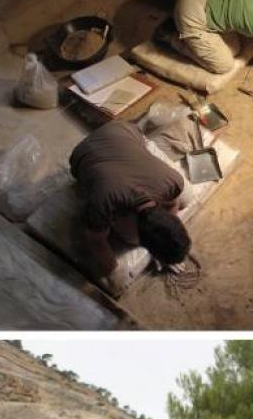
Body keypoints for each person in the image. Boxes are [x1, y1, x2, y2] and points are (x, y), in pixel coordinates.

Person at [68, 120, 191, 295]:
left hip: (123, 129)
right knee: (130, 239)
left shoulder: (172, 181)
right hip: (83, 154)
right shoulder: (104, 202)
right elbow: (95, 239)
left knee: (186, 196)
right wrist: (113, 271)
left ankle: (141, 147)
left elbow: (173, 205)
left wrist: (165, 246)